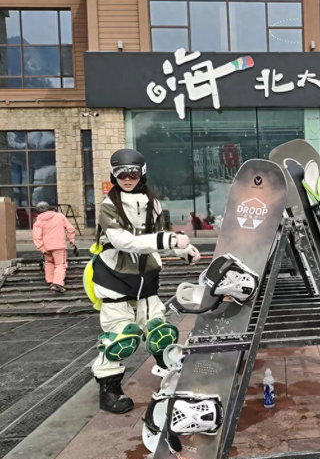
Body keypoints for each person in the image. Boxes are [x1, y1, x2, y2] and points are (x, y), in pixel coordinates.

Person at [91, 149, 201, 414]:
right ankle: (109, 389)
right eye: (121, 173)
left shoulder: (153, 203)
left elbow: (161, 234)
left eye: (133, 172)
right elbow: (123, 241)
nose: (127, 178)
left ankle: (173, 375)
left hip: (146, 278)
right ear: (113, 175)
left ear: (142, 173)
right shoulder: (109, 206)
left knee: (159, 332)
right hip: (115, 278)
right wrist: (168, 240)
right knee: (120, 338)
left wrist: (184, 251)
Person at [32, 202, 76, 293]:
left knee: (49, 262)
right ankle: (57, 283)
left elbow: (36, 236)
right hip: (59, 246)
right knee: (60, 264)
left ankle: (50, 281)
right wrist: (71, 240)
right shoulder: (60, 216)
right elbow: (70, 229)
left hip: (46, 247)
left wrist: (41, 248)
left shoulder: (38, 222)